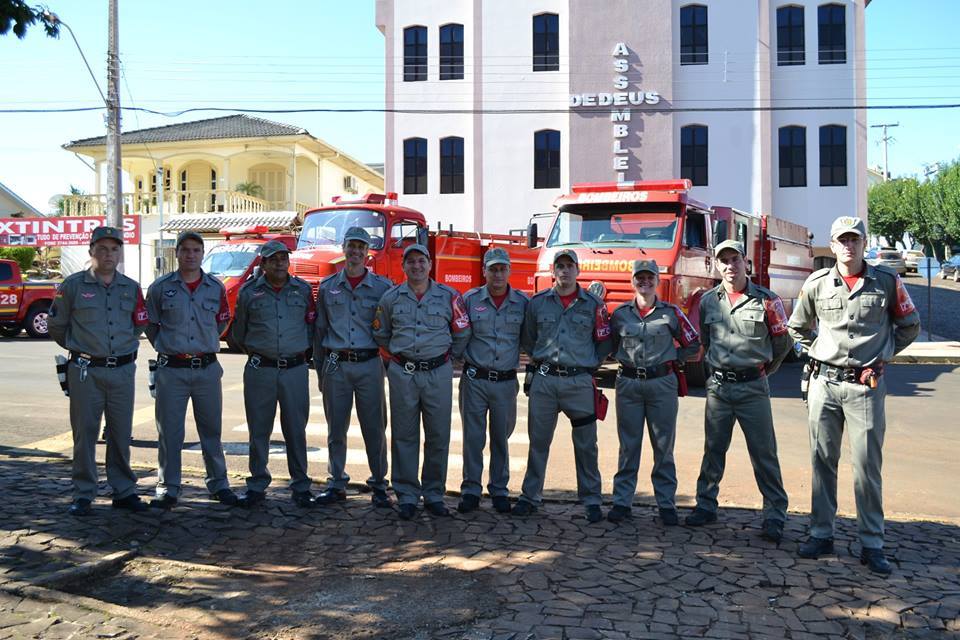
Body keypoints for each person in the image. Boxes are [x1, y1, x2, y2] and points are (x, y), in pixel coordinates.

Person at [789, 216, 920, 575]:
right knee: (821, 461)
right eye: (842, 240)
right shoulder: (816, 283)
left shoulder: (888, 282)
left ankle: (872, 542)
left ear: (864, 244)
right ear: (832, 247)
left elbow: (909, 325)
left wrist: (882, 357)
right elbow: (796, 327)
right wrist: (816, 352)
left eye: (855, 240)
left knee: (866, 466)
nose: (848, 246)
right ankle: (821, 533)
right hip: (824, 384)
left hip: (865, 387)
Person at [686, 239, 791, 543]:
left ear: (746, 262)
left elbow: (782, 344)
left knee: (764, 453)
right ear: (717, 265)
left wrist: (760, 372)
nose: (730, 266)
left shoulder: (767, 300)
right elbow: (706, 341)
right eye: (724, 261)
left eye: (735, 260)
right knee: (713, 450)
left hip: (752, 387)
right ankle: (706, 505)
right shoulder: (708, 301)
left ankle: (774, 514)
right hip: (719, 388)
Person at [48, 226, 150, 516]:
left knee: (120, 433)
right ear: (91, 251)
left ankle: (124, 490)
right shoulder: (72, 286)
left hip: (121, 372)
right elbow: (57, 325)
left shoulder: (131, 287)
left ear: (120, 252)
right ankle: (83, 493)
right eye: (102, 248)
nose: (108, 254)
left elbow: (139, 322)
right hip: (85, 371)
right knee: (85, 433)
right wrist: (80, 348)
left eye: (114, 249)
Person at [373, 243, 471, 520]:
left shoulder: (449, 296)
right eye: (411, 262)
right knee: (404, 435)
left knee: (438, 435)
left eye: (421, 261)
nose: (416, 266)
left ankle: (434, 494)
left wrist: (450, 357)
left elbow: (462, 331)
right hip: (402, 372)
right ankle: (406, 495)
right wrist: (397, 359)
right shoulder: (391, 299)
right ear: (403, 267)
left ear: (430, 265)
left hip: (438, 373)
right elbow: (381, 334)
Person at [513, 249, 612, 523]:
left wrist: (589, 363)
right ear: (553, 271)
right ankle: (530, 496)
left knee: (586, 444)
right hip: (545, 381)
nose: (565, 271)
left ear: (577, 270)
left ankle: (591, 499)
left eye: (570, 266)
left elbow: (604, 341)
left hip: (579, 382)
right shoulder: (538, 303)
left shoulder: (594, 305)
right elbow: (528, 338)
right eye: (560, 266)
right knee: (538, 442)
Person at [145, 231, 238, 509]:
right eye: (185, 250)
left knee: (211, 431)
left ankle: (219, 484)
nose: (190, 255)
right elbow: (150, 325)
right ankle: (168, 486)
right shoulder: (161, 288)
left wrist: (203, 344)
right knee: (170, 432)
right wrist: (169, 345)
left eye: (196, 250)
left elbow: (222, 322)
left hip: (206, 369)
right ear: (177, 253)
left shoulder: (215, 287)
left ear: (202, 254)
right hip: (172, 369)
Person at [608, 259, 700, 526]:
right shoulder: (620, 314)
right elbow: (611, 344)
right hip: (628, 383)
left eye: (649, 277)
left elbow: (693, 342)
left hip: (662, 383)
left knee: (663, 447)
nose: (644, 282)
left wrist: (674, 358)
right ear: (632, 281)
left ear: (657, 281)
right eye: (639, 277)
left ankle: (666, 504)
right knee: (628, 446)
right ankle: (622, 502)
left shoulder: (670, 313)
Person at [231, 240, 318, 508]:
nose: (280, 262)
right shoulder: (249, 292)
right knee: (259, 430)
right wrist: (262, 352)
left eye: (284, 258)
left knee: (295, 429)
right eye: (274, 259)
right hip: (261, 370)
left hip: (294, 370)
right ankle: (257, 484)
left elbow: (312, 327)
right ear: (263, 264)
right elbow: (239, 333)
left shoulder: (302, 290)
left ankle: (301, 485)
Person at [313, 227, 393, 508]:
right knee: (336, 428)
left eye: (361, 247)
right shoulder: (328, 287)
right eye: (351, 246)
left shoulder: (383, 288)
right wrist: (321, 370)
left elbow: (390, 329)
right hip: (337, 365)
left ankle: (380, 483)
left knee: (375, 428)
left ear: (368, 252)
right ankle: (336, 482)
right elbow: (320, 331)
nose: (356, 252)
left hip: (369, 364)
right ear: (343, 248)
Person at [456, 247, 529, 514]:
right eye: (493, 269)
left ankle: (499, 489)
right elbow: (460, 334)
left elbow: (528, 339)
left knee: (501, 437)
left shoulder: (522, 303)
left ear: (509, 271)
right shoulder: (469, 299)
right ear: (484, 271)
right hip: (475, 379)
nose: (498, 274)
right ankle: (471, 490)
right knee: (473, 438)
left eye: (502, 269)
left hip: (505, 382)